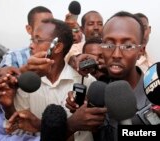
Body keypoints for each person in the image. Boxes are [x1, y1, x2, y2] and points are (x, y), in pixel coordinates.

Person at [0, 18, 106, 141]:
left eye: (38, 40)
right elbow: (19, 130)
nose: (31, 45)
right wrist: (9, 108)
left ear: (57, 47)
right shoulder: (26, 84)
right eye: (32, 39)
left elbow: (97, 128)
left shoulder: (86, 80)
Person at [67, 11, 160, 141]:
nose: (116, 54)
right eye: (109, 45)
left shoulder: (155, 97)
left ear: (141, 51)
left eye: (127, 46)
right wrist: (72, 124)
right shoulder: (95, 92)